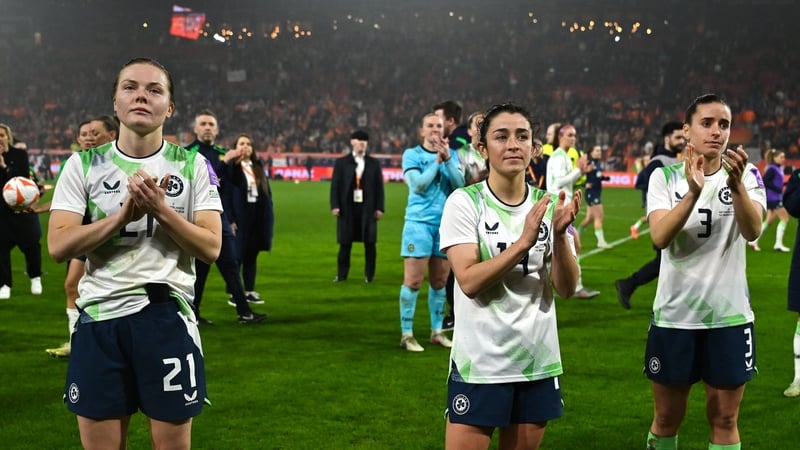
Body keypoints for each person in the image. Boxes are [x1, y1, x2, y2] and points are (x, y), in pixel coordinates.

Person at [47, 57, 222, 450]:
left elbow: (212, 247)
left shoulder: (194, 165)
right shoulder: (82, 165)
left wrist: (160, 210)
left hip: (165, 319)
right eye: (130, 87)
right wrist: (123, 216)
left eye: (154, 89)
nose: (141, 95)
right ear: (115, 102)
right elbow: (58, 245)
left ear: (169, 108)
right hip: (98, 321)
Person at [440, 103, 582, 450]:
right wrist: (523, 243)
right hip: (481, 362)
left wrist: (560, 236)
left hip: (536, 361)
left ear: (535, 149)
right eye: (501, 137)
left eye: (522, 136)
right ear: (483, 148)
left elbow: (566, 288)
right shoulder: (465, 203)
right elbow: (469, 281)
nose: (513, 145)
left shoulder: (549, 205)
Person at [643, 94, 764, 450]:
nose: (717, 131)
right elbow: (660, 237)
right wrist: (692, 193)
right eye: (707, 123)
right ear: (687, 131)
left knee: (725, 419)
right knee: (667, 418)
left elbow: (753, 230)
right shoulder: (663, 177)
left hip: (728, 318)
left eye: (723, 124)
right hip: (675, 317)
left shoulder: (747, 174)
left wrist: (737, 186)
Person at [45, 116, 119, 358]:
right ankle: (75, 341)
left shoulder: (120, 165)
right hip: (80, 233)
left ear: (112, 135)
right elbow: (64, 203)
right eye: (84, 134)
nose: (88, 137)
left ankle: (91, 342)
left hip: (108, 235)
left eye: (94, 133)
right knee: (71, 285)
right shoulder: (75, 165)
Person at [185, 110, 266, 324]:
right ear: (195, 128)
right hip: (198, 218)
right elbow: (204, 182)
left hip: (220, 218)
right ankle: (193, 315)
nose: (208, 127)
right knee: (200, 271)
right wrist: (224, 164)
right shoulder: (188, 154)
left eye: (211, 124)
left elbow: (234, 184)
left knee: (230, 265)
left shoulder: (224, 152)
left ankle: (244, 312)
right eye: (203, 123)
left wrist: (239, 166)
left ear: (217, 129)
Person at [398, 113, 465, 352]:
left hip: (445, 225)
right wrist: (437, 162)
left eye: (439, 126)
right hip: (418, 225)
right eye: (430, 126)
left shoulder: (452, 155)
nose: (435, 129)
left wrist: (447, 160)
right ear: (422, 131)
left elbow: (460, 186)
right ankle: (407, 334)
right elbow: (418, 184)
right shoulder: (412, 155)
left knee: (438, 282)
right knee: (414, 281)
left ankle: (437, 331)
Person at [615, 121, 686, 309]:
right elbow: (647, 187)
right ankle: (630, 284)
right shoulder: (659, 162)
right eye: (678, 137)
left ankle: (630, 285)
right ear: (667, 138)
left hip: (674, 217)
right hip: (663, 219)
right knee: (666, 261)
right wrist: (653, 212)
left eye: (683, 138)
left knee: (667, 262)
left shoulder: (672, 159)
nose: (682, 141)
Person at [443, 111, 487, 330]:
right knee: (459, 267)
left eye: (484, 124)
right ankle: (453, 313)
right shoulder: (459, 154)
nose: (480, 128)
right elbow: (457, 183)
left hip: (491, 213)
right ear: (469, 130)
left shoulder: (495, 153)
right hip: (467, 213)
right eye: (477, 124)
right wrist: (475, 180)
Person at [546, 124, 599, 299]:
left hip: (564, 210)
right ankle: (577, 287)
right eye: (570, 135)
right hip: (560, 210)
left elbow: (566, 183)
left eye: (574, 135)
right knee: (572, 247)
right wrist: (579, 170)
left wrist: (581, 172)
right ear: (560, 136)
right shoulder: (559, 157)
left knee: (570, 246)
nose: (573, 138)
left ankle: (566, 284)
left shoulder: (564, 157)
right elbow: (560, 182)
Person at [330, 130, 385, 283]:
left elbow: (379, 187)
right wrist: (335, 205)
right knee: (345, 244)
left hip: (368, 209)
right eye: (358, 140)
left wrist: (380, 207)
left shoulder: (374, 163)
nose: (361, 143)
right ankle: (341, 275)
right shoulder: (341, 163)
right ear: (352, 142)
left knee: (370, 244)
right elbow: (335, 186)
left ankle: (369, 276)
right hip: (347, 208)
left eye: (364, 141)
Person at [225, 133, 275, 301]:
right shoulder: (232, 168)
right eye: (241, 143)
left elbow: (267, 195)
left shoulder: (258, 168)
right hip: (240, 217)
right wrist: (230, 219)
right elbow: (227, 196)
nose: (245, 146)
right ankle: (234, 293)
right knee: (237, 256)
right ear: (235, 147)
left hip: (257, 217)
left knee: (252, 255)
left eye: (248, 144)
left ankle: (249, 291)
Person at [0, 123, 45, 300]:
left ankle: (35, 277)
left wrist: (4, 166)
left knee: (32, 245)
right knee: (1, 249)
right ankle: (4, 284)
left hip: (22, 209)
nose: (0, 139)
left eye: (2, 135)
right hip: (2, 212)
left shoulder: (19, 154)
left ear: (8, 137)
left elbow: (23, 179)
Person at [748, 148, 790, 252]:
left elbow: (775, 182)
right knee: (785, 218)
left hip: (773, 198)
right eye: (781, 157)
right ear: (775, 158)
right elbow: (765, 181)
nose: (783, 159)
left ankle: (753, 241)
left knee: (769, 221)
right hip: (774, 198)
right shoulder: (772, 168)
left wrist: (784, 185)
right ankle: (778, 244)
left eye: (784, 157)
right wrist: (778, 189)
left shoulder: (776, 168)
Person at [578, 145, 611, 249]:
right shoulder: (589, 163)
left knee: (589, 218)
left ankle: (576, 236)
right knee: (599, 217)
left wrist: (604, 178)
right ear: (591, 152)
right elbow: (580, 175)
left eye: (600, 150)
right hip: (592, 193)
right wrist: (584, 184)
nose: (599, 152)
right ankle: (600, 242)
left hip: (595, 192)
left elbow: (596, 176)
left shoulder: (597, 163)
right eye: (597, 150)